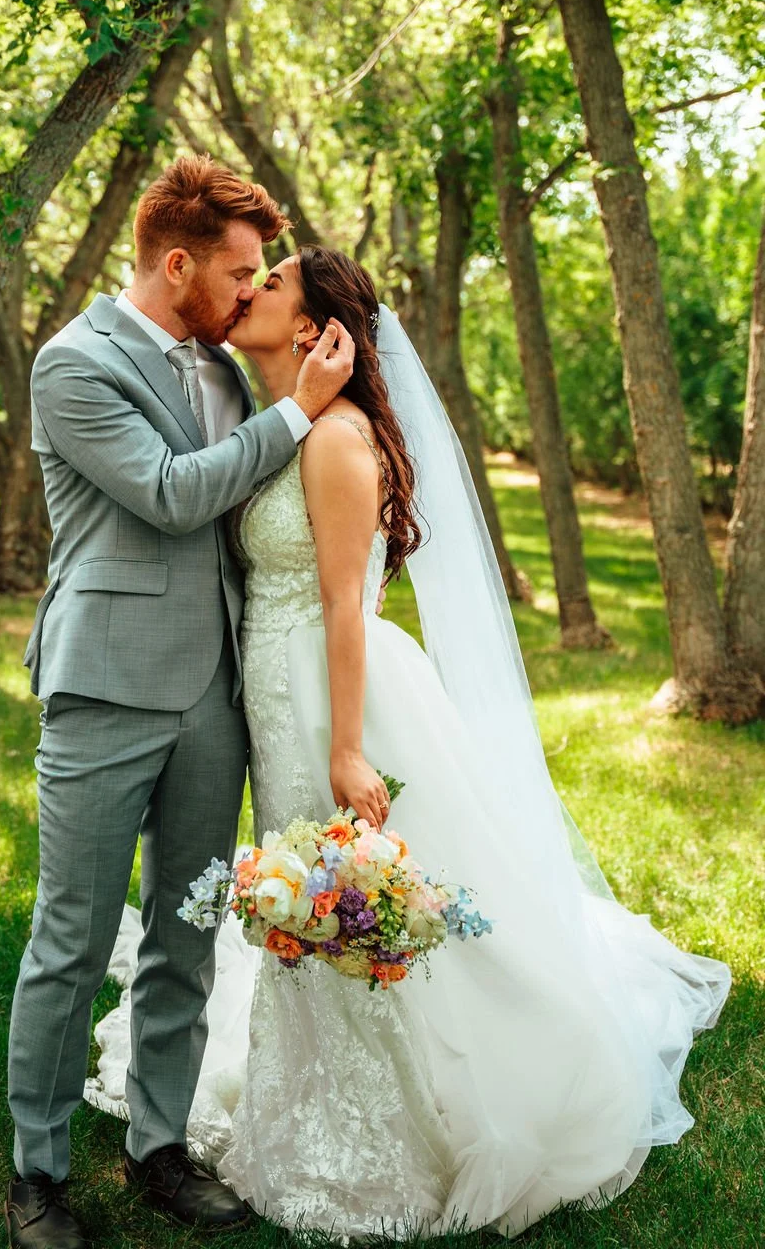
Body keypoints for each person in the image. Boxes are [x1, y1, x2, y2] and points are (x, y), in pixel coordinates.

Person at [87, 245, 731, 1240]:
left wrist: (349, 750)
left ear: (313, 328)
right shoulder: (286, 423)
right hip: (283, 693)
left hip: (332, 700)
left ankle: (395, 1114)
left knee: (347, 889)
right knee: (313, 895)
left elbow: (347, 606)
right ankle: (313, 1085)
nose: (249, 290)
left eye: (271, 283)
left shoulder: (335, 440)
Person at [5, 158, 355, 1249]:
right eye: (240, 274)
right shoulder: (74, 363)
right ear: (175, 264)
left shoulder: (222, 368)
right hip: (106, 685)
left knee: (186, 932)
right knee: (72, 939)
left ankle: (158, 1146)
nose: (250, 293)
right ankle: (37, 1174)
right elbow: (167, 495)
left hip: (216, 692)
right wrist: (298, 412)